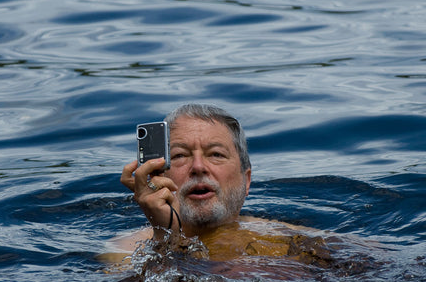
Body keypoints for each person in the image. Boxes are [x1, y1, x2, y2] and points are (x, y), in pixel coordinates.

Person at [110, 103, 319, 264]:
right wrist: (165, 238)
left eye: (216, 154)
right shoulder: (123, 252)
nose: (198, 166)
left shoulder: (295, 240)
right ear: (155, 177)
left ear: (246, 181)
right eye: (180, 155)